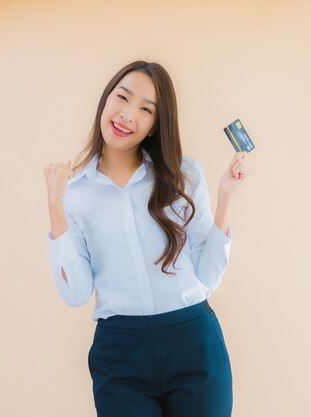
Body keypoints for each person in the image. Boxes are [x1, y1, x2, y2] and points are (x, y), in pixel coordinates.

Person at [43, 60, 249, 417]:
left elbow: (207, 278)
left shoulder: (185, 175)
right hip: (121, 354)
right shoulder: (75, 193)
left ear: (155, 125)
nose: (127, 114)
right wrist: (54, 205)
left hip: (193, 343)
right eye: (121, 97)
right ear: (106, 99)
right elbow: (76, 293)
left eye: (145, 109)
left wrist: (225, 196)